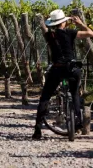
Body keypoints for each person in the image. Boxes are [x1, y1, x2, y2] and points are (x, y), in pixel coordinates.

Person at [32, 9, 93, 140]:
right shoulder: (70, 32)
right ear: (63, 22)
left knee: (45, 96)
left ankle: (37, 128)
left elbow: (50, 32)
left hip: (57, 69)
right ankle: (78, 122)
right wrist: (80, 23)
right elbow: (90, 33)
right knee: (75, 93)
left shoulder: (49, 35)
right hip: (72, 68)